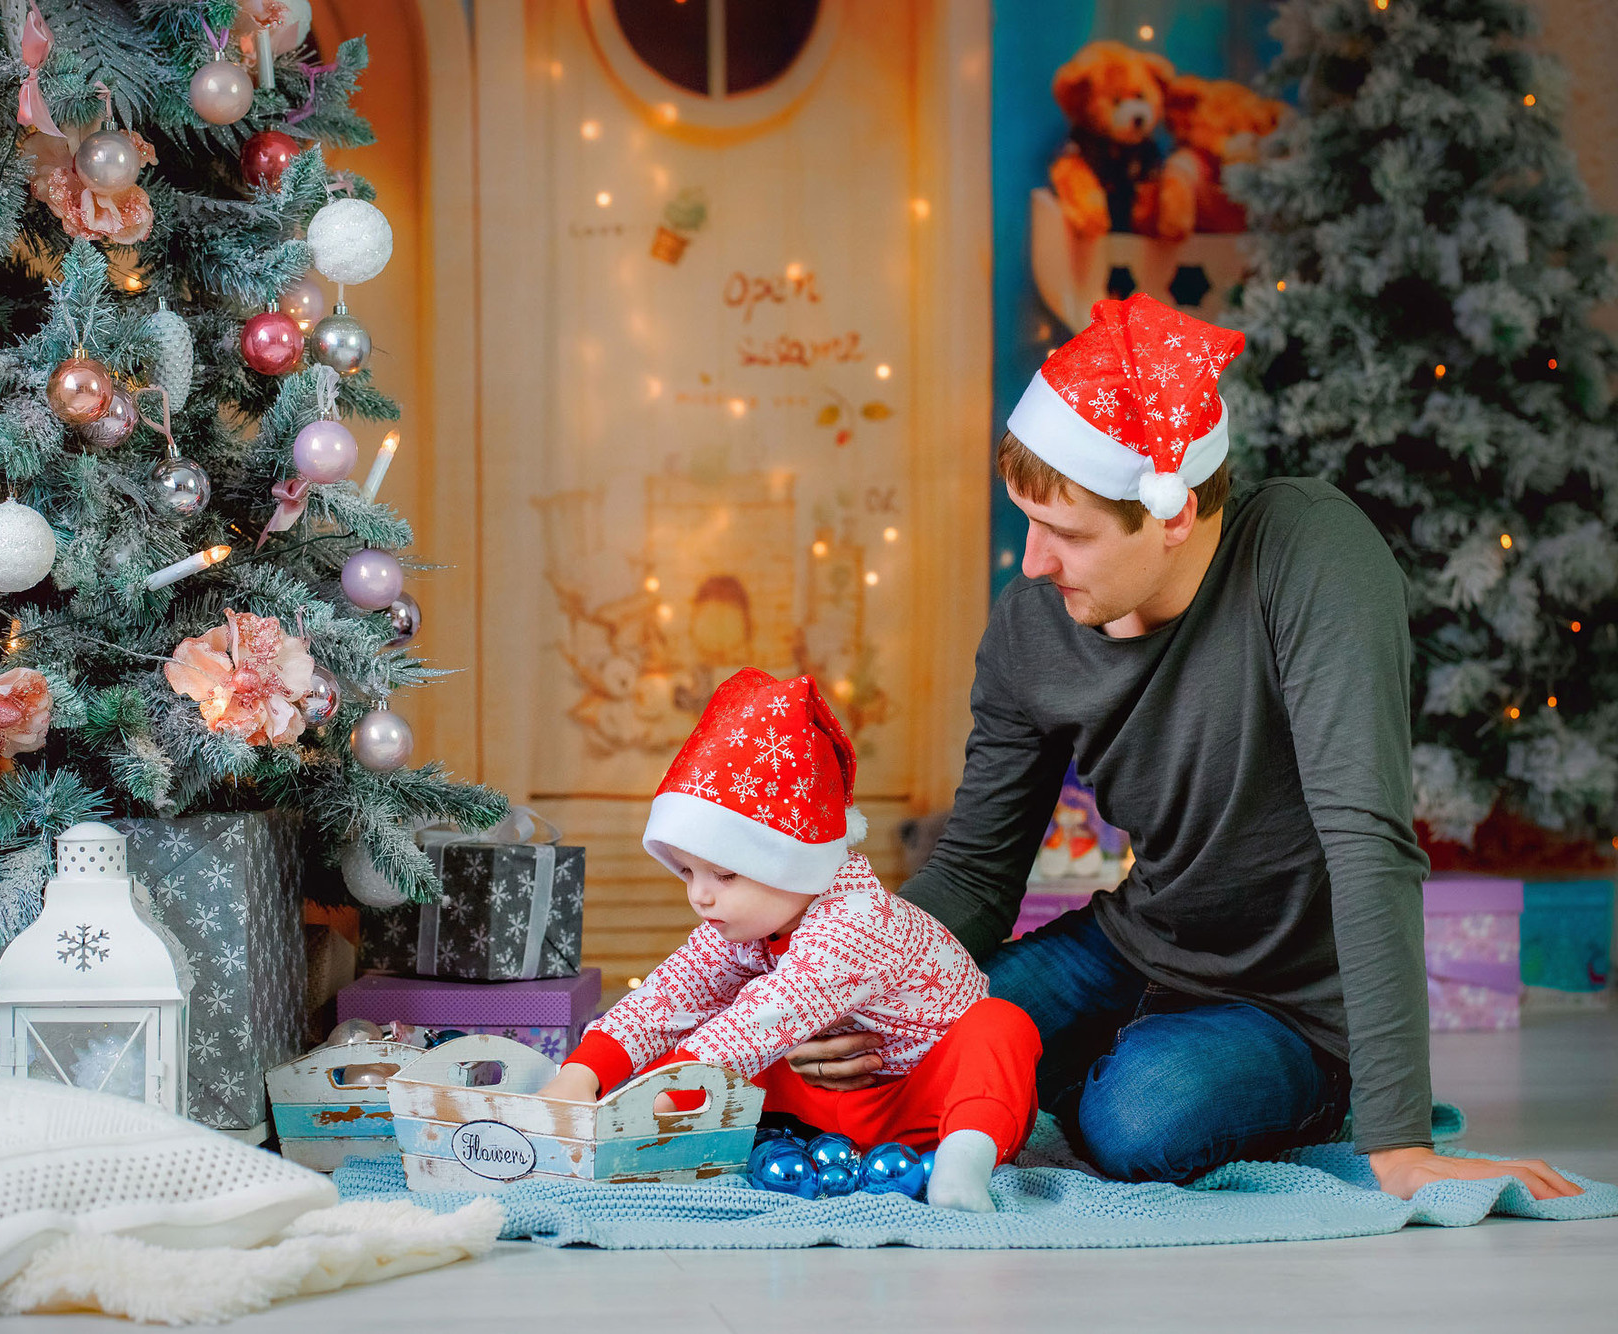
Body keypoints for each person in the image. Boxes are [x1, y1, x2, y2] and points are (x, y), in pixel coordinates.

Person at [785, 294, 1579, 1202]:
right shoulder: (1032, 625)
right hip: (1137, 946)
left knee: (1139, 1120)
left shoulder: (1309, 554)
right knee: (900, 1039)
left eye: (1067, 533)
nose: (1034, 562)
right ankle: (1080, 1068)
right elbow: (974, 871)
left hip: (1299, 1003)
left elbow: (1368, 842)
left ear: (1172, 514)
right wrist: (855, 977)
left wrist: (1400, 1143)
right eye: (1028, 522)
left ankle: (1271, 1090)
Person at [538, 668, 1042, 1211]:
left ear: (790, 865)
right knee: (715, 1015)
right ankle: (731, 1138)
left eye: (724, 875)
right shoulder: (749, 920)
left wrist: (643, 1106)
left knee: (1001, 1026)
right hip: (828, 1104)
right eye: (687, 872)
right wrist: (582, 1072)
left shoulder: (855, 923)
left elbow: (761, 1021)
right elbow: (670, 994)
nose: (700, 896)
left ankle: (964, 1159)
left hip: (922, 1100)